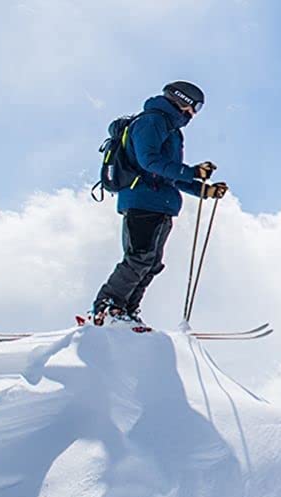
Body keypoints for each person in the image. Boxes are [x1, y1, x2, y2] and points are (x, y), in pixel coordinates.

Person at [90, 81, 228, 326]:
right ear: (183, 100)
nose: (194, 113)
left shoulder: (171, 130)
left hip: (161, 203)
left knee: (151, 263)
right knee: (139, 258)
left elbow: (168, 175)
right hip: (142, 201)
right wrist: (192, 171)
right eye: (195, 106)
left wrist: (203, 190)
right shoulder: (151, 121)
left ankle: (126, 312)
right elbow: (149, 162)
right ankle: (107, 307)